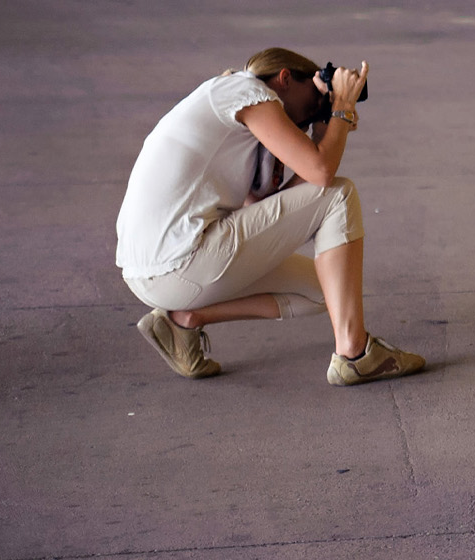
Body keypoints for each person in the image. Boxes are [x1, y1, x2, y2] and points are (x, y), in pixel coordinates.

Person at [114, 48, 425, 385]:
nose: (311, 113)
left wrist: (327, 126)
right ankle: (356, 354)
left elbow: (267, 207)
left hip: (154, 272)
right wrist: (341, 109)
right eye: (313, 98)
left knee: (328, 290)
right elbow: (322, 173)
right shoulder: (248, 92)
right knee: (340, 194)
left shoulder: (228, 106)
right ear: (285, 78)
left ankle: (183, 319)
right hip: (177, 261)